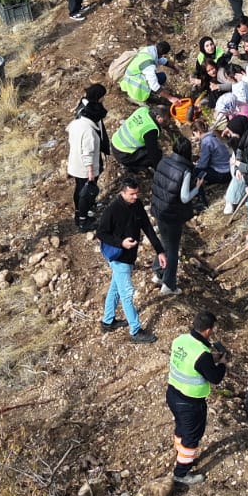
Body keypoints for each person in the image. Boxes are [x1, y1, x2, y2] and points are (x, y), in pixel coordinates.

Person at [95, 178, 165, 342]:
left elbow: (147, 228)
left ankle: (108, 321)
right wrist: (121, 243)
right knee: (126, 294)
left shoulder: (137, 205)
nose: (135, 197)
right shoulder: (112, 210)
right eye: (132, 194)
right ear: (123, 193)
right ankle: (135, 331)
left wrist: (160, 251)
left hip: (129, 257)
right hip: (119, 257)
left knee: (115, 287)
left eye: (137, 193)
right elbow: (101, 233)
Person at [166, 310, 228, 485]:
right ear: (208, 330)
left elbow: (191, 362)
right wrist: (222, 364)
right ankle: (181, 472)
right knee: (192, 436)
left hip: (173, 393)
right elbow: (215, 378)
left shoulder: (180, 340)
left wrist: (210, 359)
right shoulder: (202, 354)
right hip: (190, 402)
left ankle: (180, 452)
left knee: (181, 427)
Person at [150, 138, 199, 296]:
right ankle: (169, 284)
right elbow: (184, 197)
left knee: (163, 242)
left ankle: (158, 273)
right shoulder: (185, 170)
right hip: (173, 215)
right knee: (172, 249)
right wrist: (197, 188)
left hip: (160, 210)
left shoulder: (164, 161)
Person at [66, 85, 108, 231]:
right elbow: (88, 153)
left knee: (79, 189)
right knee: (85, 192)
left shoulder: (76, 123)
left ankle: (79, 213)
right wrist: (90, 172)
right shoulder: (89, 131)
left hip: (75, 163)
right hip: (84, 167)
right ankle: (83, 220)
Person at [111, 104, 163, 172]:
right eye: (166, 120)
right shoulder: (150, 129)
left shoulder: (142, 110)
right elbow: (153, 154)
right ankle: (134, 167)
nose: (167, 122)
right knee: (156, 154)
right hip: (123, 155)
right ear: (159, 118)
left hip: (115, 142)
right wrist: (159, 170)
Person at [119, 40, 173, 105]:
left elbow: (161, 61)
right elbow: (154, 85)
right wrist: (170, 98)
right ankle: (141, 98)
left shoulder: (147, 50)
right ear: (162, 54)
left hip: (129, 79)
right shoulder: (149, 64)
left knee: (162, 76)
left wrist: (174, 68)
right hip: (135, 88)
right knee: (155, 83)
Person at [191, 119, 233, 190]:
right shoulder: (213, 135)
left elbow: (203, 164)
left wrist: (196, 165)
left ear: (198, 132)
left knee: (196, 170)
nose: (194, 136)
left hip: (223, 173)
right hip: (229, 168)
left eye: (194, 134)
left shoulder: (206, 142)